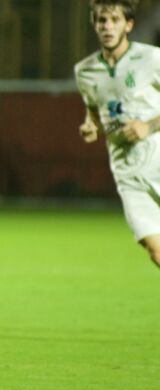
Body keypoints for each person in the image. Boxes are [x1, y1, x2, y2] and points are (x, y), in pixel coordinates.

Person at [76, 0, 160, 268]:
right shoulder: (85, 71)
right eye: (102, 20)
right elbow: (94, 111)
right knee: (155, 251)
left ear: (129, 25)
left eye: (114, 20)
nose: (108, 27)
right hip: (127, 174)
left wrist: (148, 126)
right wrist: (90, 126)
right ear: (94, 24)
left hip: (158, 161)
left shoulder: (151, 58)